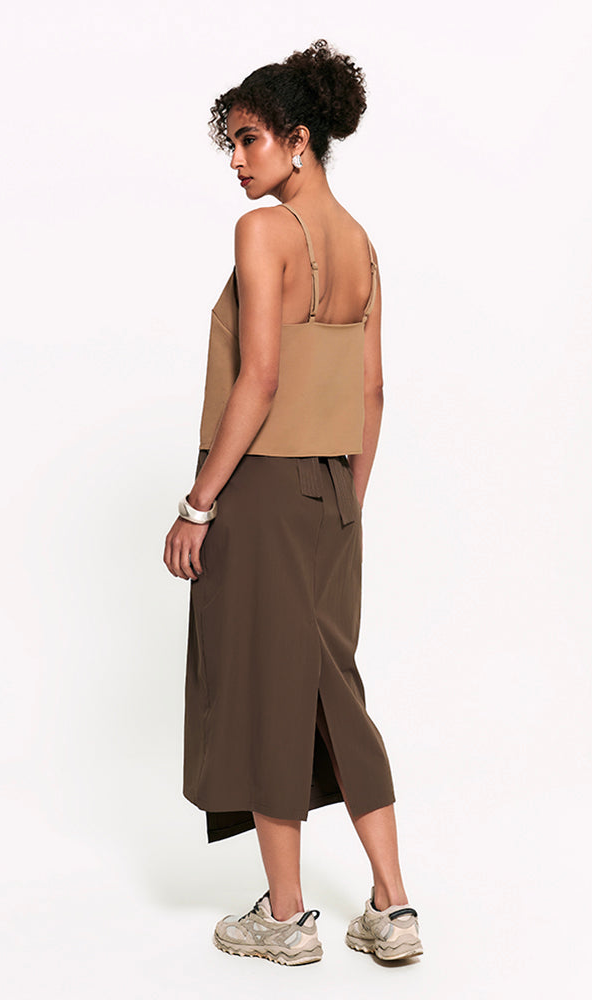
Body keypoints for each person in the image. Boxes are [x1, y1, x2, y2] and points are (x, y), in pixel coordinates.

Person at [163, 39, 423, 966]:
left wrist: (199, 503)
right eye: (231, 143)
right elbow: (373, 392)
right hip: (334, 489)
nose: (237, 161)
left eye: (250, 140)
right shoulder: (362, 246)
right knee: (335, 692)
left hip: (263, 487)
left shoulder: (265, 232)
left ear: (299, 139)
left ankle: (286, 917)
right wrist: (348, 503)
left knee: (271, 692)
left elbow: (261, 378)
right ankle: (393, 907)